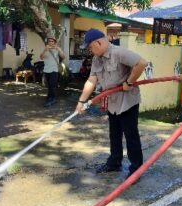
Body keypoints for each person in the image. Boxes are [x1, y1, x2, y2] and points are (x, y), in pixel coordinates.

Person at [75, 28, 148, 179]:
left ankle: (136, 170)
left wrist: (129, 81)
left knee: (130, 135)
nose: (89, 50)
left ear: (99, 42)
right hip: (112, 101)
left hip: (127, 101)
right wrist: (81, 101)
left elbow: (141, 63)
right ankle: (115, 162)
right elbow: (92, 80)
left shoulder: (118, 52)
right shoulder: (97, 59)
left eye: (90, 47)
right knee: (114, 134)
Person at [40, 34, 65, 107]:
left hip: (54, 70)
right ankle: (49, 96)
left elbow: (63, 57)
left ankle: (52, 98)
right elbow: (41, 57)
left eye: (52, 41)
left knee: (52, 85)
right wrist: (45, 50)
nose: (51, 42)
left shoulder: (57, 49)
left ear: (54, 42)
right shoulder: (45, 48)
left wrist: (59, 49)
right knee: (49, 85)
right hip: (46, 69)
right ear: (47, 42)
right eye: (49, 41)